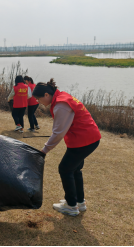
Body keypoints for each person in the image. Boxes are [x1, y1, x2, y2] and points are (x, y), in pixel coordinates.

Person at [32, 79, 101, 217]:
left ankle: (71, 206)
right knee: (75, 169)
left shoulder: (61, 105)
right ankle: (79, 202)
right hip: (87, 138)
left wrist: (44, 151)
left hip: (84, 140)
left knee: (65, 168)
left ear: (46, 95)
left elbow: (58, 133)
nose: (39, 103)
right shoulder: (62, 96)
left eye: (39, 99)